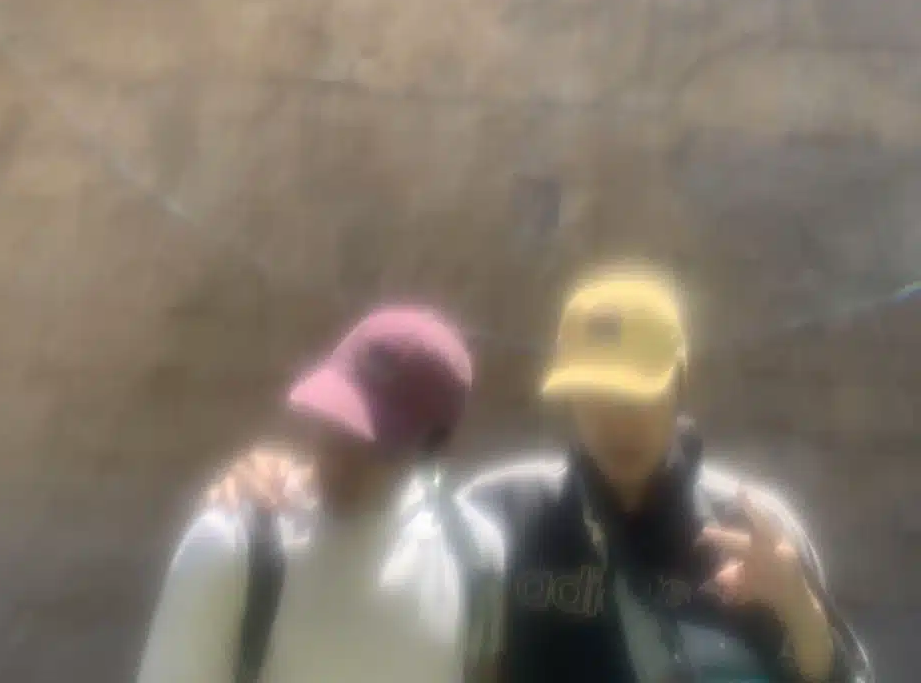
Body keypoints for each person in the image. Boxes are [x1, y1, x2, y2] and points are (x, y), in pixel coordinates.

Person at [207, 267, 873, 683]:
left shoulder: (751, 528)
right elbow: (372, 541)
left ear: (679, 382)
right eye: (594, 395)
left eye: (633, 396)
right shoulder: (499, 512)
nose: (613, 420)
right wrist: (286, 483)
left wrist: (799, 610)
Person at [135, 305, 506, 683]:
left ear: (431, 448)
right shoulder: (233, 543)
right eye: (336, 420)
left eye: (376, 443)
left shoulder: (475, 552)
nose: (340, 455)